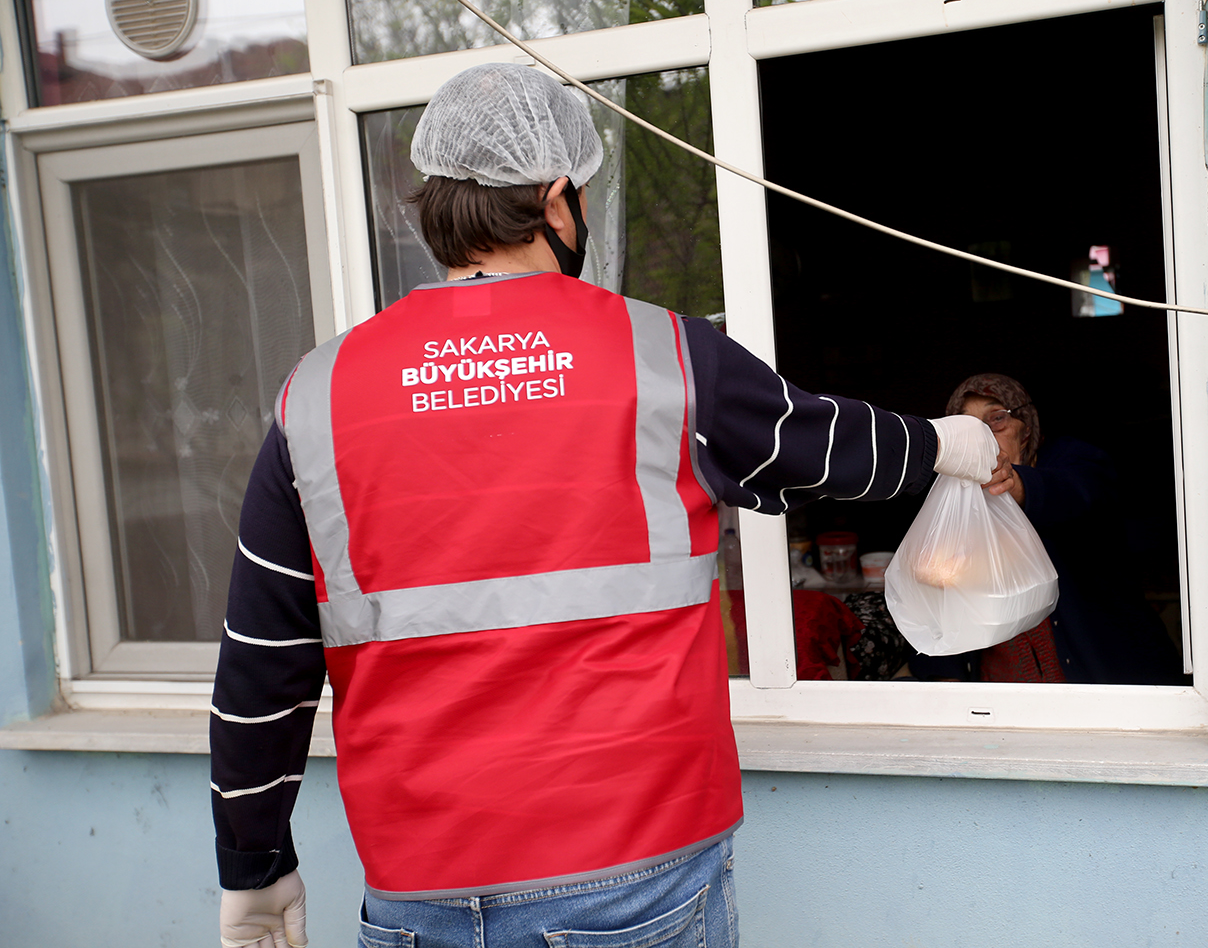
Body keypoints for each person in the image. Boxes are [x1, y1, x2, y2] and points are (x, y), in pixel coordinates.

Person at [210, 63, 1004, 948]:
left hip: (416, 893)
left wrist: (255, 867)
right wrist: (947, 445)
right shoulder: (666, 355)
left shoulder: (315, 396)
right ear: (557, 203)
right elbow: (826, 445)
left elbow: (260, 670)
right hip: (638, 880)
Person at [942, 373, 1186, 686]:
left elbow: (1079, 494)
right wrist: (946, 677)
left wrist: (1018, 485)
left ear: (1026, 426)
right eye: (965, 427)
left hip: (1105, 679)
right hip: (1004, 691)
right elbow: (941, 600)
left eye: (997, 420)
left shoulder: (1074, 459)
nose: (982, 437)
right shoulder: (956, 499)